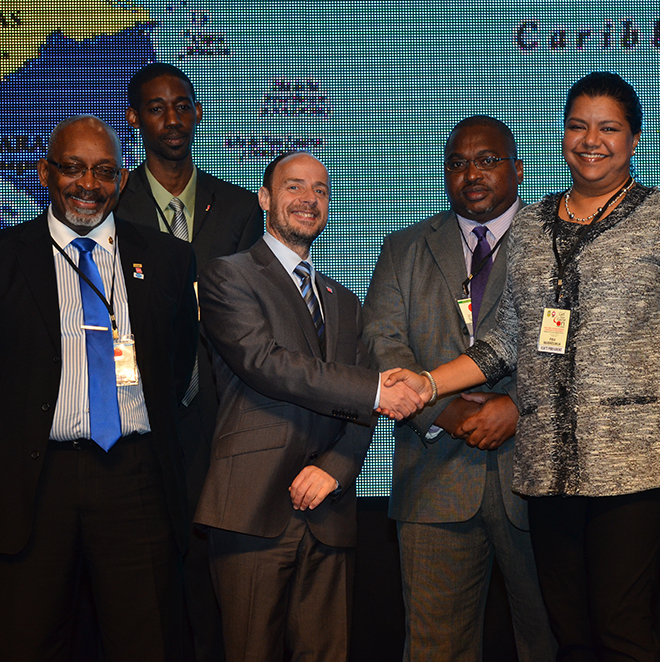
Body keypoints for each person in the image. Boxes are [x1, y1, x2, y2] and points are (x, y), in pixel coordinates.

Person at [383, 72, 660, 661]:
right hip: (548, 469)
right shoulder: (531, 225)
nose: (591, 140)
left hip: (638, 466)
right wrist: (428, 382)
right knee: (569, 635)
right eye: (578, 126)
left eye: (608, 128)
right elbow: (506, 340)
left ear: (634, 139)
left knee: (622, 631)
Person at [194, 150, 422, 662]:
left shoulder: (344, 301)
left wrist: (336, 469)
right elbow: (265, 363)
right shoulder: (227, 275)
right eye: (294, 186)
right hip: (251, 506)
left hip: (330, 512)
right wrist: (375, 390)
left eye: (320, 190)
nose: (309, 199)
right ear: (265, 198)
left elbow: (362, 406)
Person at [0, 114, 198, 661]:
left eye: (105, 171)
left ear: (123, 179)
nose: (88, 184)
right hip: (37, 483)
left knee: (147, 643)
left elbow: (177, 364)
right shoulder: (7, 257)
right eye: (73, 168)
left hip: (135, 478)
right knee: (26, 641)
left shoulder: (168, 259)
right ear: (45, 173)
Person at [363, 115, 555, 662]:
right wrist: (440, 410)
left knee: (551, 642)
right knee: (434, 649)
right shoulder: (404, 247)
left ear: (519, 169)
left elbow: (575, 346)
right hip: (433, 479)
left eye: (488, 160)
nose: (472, 173)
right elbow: (381, 341)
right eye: (457, 163)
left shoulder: (554, 242)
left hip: (537, 478)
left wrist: (517, 408)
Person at [115, 61, 264, 662]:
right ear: (134, 119)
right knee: (146, 575)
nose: (172, 118)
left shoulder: (238, 208)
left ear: (198, 113)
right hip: (137, 410)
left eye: (182, 105)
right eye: (156, 107)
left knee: (212, 580)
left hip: (219, 415)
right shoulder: (113, 202)